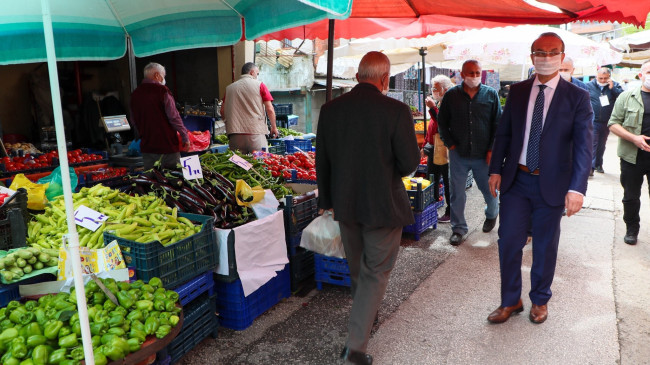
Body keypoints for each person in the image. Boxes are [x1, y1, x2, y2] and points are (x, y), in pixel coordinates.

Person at [315, 51, 419, 365]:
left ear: (359, 75)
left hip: (345, 204)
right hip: (383, 205)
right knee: (375, 273)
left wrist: (328, 203)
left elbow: (322, 161)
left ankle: (366, 315)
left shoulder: (331, 109)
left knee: (360, 268)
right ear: (385, 79)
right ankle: (354, 349)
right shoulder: (397, 111)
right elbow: (410, 163)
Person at [487, 32, 593, 324]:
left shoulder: (578, 97)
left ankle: (540, 300)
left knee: (545, 245)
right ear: (531, 56)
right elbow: (504, 133)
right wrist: (495, 169)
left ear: (562, 55)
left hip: (552, 184)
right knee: (508, 241)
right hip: (517, 181)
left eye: (552, 52)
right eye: (540, 52)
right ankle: (511, 301)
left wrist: (577, 188)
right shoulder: (518, 91)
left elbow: (585, 147)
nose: (546, 58)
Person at [437, 59, 501, 246]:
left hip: (483, 154)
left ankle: (492, 213)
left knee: (489, 190)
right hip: (459, 153)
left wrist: (492, 149)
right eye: (470, 73)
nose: (474, 76)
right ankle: (458, 229)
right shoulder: (451, 95)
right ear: (462, 74)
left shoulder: (490, 95)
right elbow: (442, 122)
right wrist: (450, 144)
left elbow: (498, 124)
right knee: (457, 192)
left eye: (477, 73)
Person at [607, 60, 650, 245]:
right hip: (632, 156)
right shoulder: (626, 96)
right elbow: (613, 123)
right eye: (649, 71)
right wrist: (634, 138)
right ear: (641, 75)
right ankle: (632, 229)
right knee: (631, 197)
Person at [130, 62, 190, 170]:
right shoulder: (162, 91)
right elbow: (174, 117)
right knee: (174, 179)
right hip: (167, 146)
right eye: (164, 76)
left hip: (147, 148)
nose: (164, 79)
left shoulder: (135, 94)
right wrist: (184, 136)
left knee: (151, 181)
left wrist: (143, 136)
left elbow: (133, 120)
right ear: (157, 75)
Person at [221, 62, 278, 154]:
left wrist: (229, 124)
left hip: (235, 136)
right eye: (257, 73)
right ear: (252, 72)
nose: (257, 76)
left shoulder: (229, 88)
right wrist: (274, 127)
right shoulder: (260, 85)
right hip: (255, 134)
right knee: (260, 163)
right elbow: (270, 109)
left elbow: (222, 111)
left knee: (238, 165)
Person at [423, 75, 453, 222]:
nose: (433, 91)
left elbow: (442, 123)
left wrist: (432, 108)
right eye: (433, 88)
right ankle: (431, 208)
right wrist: (425, 144)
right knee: (431, 179)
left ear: (445, 90)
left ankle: (450, 212)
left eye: (436, 88)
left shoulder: (449, 104)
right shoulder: (440, 103)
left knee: (447, 182)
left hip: (444, 149)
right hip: (434, 147)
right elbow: (432, 127)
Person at [587, 67, 624, 174]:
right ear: (596, 76)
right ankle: (590, 167)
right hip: (593, 120)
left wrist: (612, 88)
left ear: (609, 77)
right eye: (600, 78)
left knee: (601, 145)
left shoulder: (615, 85)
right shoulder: (589, 86)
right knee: (593, 143)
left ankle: (598, 164)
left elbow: (622, 97)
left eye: (605, 78)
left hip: (607, 121)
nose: (602, 80)